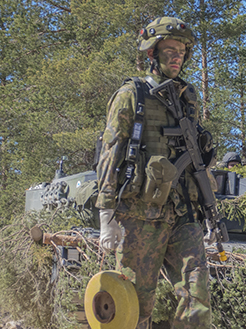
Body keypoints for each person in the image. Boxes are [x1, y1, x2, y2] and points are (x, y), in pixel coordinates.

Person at [95, 17, 212, 329]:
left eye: (182, 52)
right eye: (170, 50)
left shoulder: (188, 98)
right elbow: (110, 153)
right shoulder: (131, 94)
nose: (177, 57)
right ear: (152, 53)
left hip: (184, 215)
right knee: (134, 307)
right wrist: (107, 216)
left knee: (197, 298)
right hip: (139, 217)